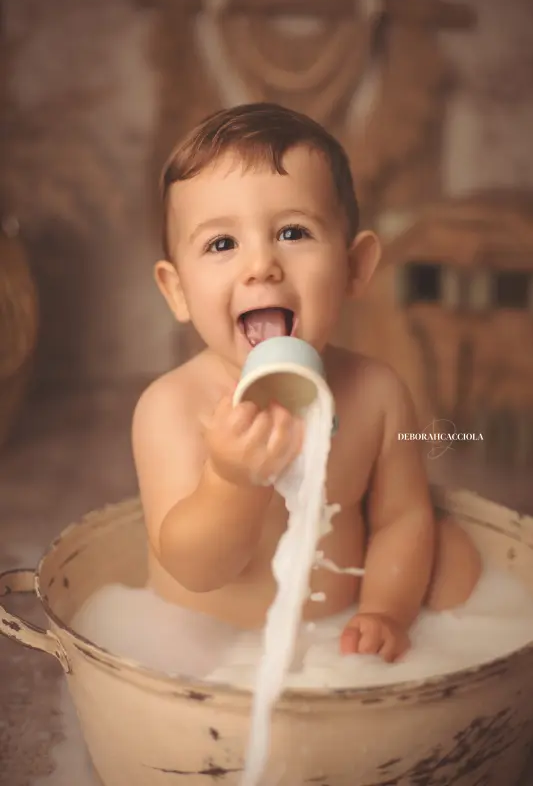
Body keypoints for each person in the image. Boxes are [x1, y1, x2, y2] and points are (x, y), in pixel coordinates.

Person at [132, 102, 481, 663]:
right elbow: (195, 569)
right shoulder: (173, 406)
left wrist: (385, 611)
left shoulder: (377, 392)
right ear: (176, 290)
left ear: (355, 267)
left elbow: (400, 520)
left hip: (333, 639)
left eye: (293, 232)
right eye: (222, 244)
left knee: (456, 555)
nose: (261, 266)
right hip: (209, 654)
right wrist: (231, 479)